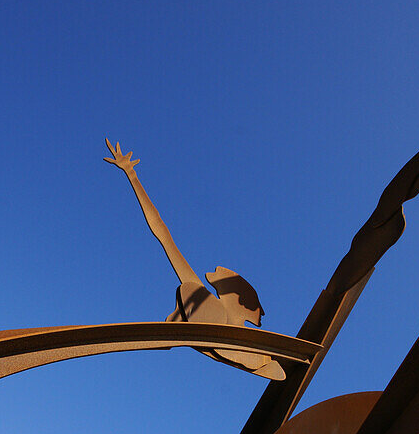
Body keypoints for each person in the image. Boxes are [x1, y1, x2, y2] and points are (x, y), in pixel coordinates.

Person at [105, 139, 285, 380]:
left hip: (239, 347)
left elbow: (278, 373)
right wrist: (131, 174)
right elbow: (162, 232)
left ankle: (177, 326)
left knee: (194, 296)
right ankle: (176, 326)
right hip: (206, 329)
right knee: (191, 291)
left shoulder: (257, 352)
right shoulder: (202, 299)